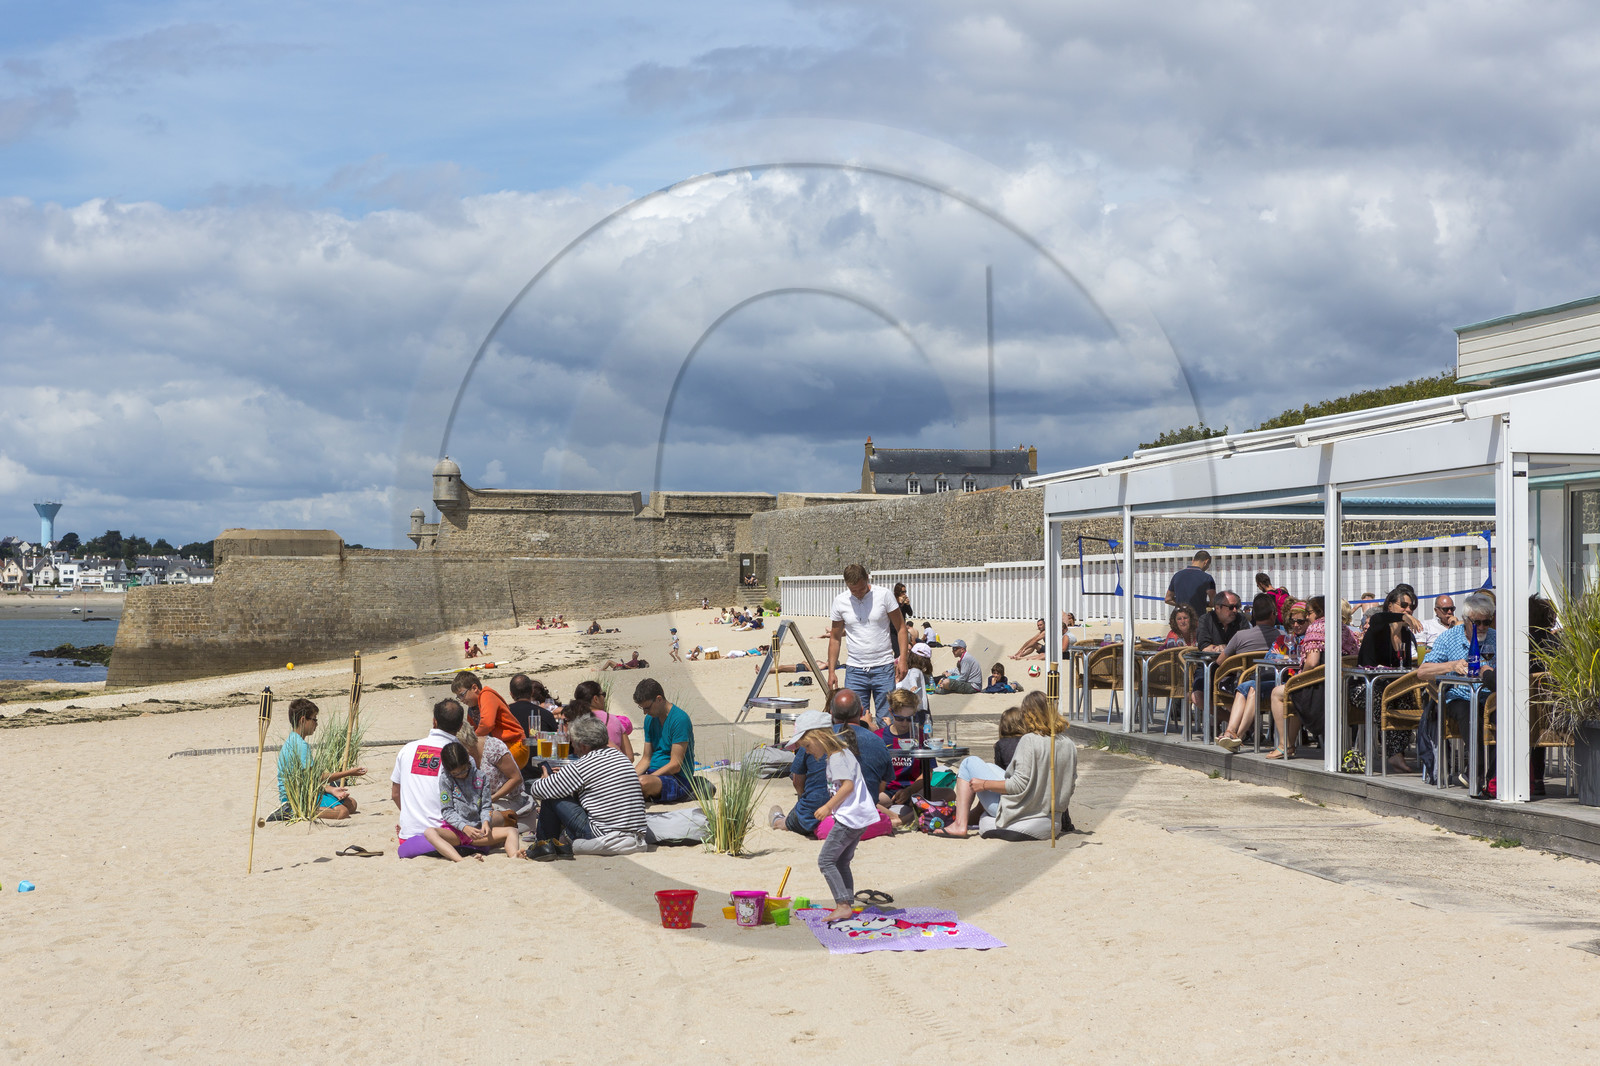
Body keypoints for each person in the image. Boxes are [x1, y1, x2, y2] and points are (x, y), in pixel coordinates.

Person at [933, 692, 1077, 839]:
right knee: (988, 766)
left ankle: (959, 825)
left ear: (1030, 715)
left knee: (968, 763)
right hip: (1046, 811)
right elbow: (1069, 787)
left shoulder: (1030, 740)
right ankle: (971, 816)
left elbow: (1018, 785)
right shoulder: (1068, 744)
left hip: (1021, 811)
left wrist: (984, 784)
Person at [784, 709, 878, 924]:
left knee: (826, 861)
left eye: (807, 746)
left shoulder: (837, 757)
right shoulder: (842, 753)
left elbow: (848, 786)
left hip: (849, 818)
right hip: (857, 816)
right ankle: (846, 903)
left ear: (819, 737)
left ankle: (843, 905)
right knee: (842, 860)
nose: (807, 752)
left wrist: (828, 807)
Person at [524, 714, 648, 857]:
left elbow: (537, 790)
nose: (574, 751)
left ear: (583, 746)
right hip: (635, 833)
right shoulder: (620, 757)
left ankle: (543, 845)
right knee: (560, 789)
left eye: (574, 745)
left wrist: (545, 779)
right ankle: (551, 842)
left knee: (551, 795)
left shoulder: (586, 763)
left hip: (603, 833)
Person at [1418, 590, 1497, 788]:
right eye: (1477, 623)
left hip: (1490, 696)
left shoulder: (1497, 638)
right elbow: (1422, 672)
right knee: (1469, 713)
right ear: (1466, 619)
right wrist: (1451, 666)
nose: (1482, 627)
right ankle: (1476, 771)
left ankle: (1494, 775)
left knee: (1505, 719)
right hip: (1459, 695)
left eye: (1487, 622)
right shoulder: (1448, 638)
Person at [1268, 595, 1358, 760]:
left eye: (1309, 612)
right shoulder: (1344, 628)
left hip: (1320, 688)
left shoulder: (1317, 627)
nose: (1307, 616)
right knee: (1293, 693)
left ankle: (1283, 745)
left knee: (1277, 693)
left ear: (1319, 612)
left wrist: (1301, 677)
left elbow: (1312, 662)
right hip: (1342, 685)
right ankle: (1288, 745)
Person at [827, 564, 909, 725]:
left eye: (861, 589)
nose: (858, 594)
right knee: (854, 721)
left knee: (887, 720)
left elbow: (901, 628)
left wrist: (903, 659)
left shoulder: (884, 595)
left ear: (867, 579)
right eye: (853, 590)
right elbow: (835, 638)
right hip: (855, 670)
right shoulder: (840, 601)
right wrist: (831, 671)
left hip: (883, 667)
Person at [392, 698, 468, 858]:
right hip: (444, 837)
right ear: (460, 726)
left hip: (407, 839)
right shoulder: (460, 756)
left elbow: (395, 794)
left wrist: (413, 817)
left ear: (434, 722)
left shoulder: (407, 749)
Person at [1215, 594, 1290, 751]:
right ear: (1273, 614)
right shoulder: (1282, 637)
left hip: (1249, 682)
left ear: (1254, 615)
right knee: (1247, 688)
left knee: (1242, 686)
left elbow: (1220, 662)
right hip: (1273, 681)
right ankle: (1232, 733)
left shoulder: (1240, 636)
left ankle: (1233, 733)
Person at [425, 741, 521, 862]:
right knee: (430, 832)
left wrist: (486, 822)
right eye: (455, 773)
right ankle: (461, 861)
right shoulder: (446, 779)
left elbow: (486, 806)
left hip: (477, 831)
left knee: (512, 831)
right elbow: (447, 810)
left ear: (468, 762)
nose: (461, 775)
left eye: (463, 770)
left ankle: (515, 856)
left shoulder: (481, 777)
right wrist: (464, 827)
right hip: (456, 832)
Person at [276, 698, 364, 820]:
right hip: (298, 796)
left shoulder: (293, 740)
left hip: (307, 790)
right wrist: (349, 773)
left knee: (351, 804)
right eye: (314, 719)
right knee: (342, 812)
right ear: (303, 720)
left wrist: (331, 789)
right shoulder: (300, 746)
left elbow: (308, 778)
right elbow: (317, 777)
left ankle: (299, 809)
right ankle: (293, 811)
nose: (316, 723)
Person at [456, 714, 527, 830]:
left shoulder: (493, 746)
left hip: (505, 798)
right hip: (480, 801)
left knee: (477, 819)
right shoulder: (461, 756)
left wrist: (491, 798)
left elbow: (516, 778)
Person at [634, 678, 697, 803]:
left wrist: (648, 778)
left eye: (647, 708)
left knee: (641, 784)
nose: (645, 712)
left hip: (677, 777)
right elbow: (646, 759)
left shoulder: (679, 719)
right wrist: (629, 778)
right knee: (624, 783)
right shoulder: (650, 719)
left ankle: (690, 791)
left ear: (659, 699)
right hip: (653, 773)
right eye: (642, 708)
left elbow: (675, 765)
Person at [452, 671, 526, 767]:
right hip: (500, 747)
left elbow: (487, 724)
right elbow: (472, 731)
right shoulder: (472, 709)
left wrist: (472, 740)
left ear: (474, 688)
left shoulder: (487, 694)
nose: (461, 700)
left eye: (462, 695)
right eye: (458, 697)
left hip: (515, 744)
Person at [567, 679, 636, 760]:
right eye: (603, 694)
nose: (604, 698)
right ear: (595, 699)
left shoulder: (573, 719)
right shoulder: (614, 720)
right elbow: (630, 757)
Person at [1165, 550, 1216, 620]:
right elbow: (1213, 602)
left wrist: (1182, 604)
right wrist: (1205, 604)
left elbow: (1168, 599)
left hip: (1179, 620)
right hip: (1197, 620)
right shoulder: (1207, 578)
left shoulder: (1177, 576)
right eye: (1208, 565)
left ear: (1193, 560)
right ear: (1206, 562)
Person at [893, 642, 935, 725]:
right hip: (920, 707)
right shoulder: (916, 670)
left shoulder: (907, 670)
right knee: (924, 725)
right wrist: (914, 685)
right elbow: (913, 678)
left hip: (909, 705)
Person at [889, 581, 915, 658]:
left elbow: (910, 613)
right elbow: (895, 613)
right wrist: (900, 604)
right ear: (897, 592)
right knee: (897, 652)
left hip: (901, 628)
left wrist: (907, 604)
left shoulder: (904, 601)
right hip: (893, 629)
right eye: (902, 592)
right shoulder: (893, 601)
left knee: (903, 651)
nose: (904, 593)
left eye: (905, 591)